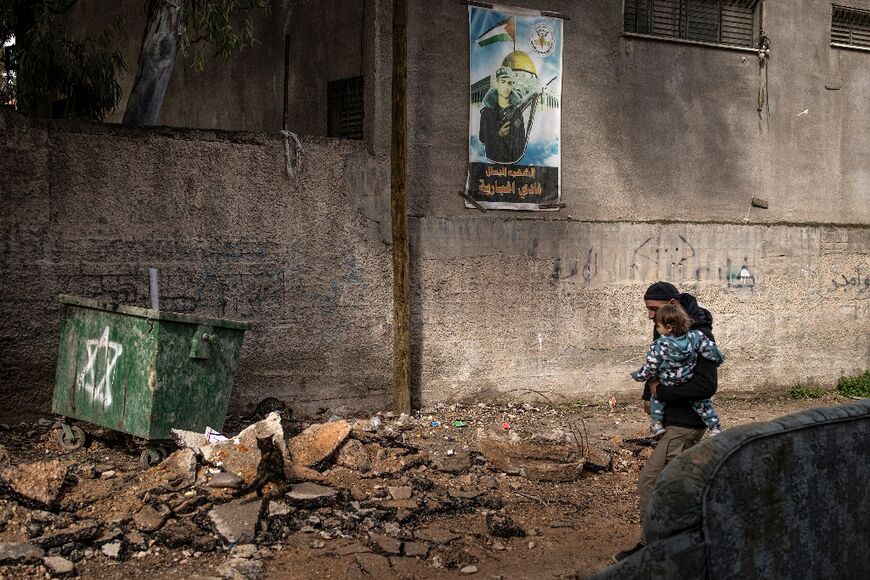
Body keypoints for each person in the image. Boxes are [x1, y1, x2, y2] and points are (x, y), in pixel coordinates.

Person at [613, 281, 719, 563]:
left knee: (652, 480)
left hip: (686, 424)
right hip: (674, 420)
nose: (649, 315)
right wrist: (648, 394)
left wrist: (662, 391)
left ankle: (653, 547)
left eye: (653, 309)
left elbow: (706, 386)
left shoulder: (700, 336)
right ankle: (691, 539)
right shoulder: (666, 324)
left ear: (672, 305)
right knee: (678, 483)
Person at [631, 303, 724, 437]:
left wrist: (638, 376)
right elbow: (710, 350)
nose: (656, 329)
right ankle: (715, 428)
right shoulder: (695, 337)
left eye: (658, 326)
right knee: (703, 404)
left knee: (657, 398)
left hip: (668, 382)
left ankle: (656, 424)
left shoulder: (659, 345)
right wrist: (719, 359)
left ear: (668, 327)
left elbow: (651, 367)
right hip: (687, 379)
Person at [479, 66, 527, 163]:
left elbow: (522, 136)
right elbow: (482, 138)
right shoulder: (487, 113)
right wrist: (498, 134)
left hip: (515, 160)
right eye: (503, 82)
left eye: (509, 83)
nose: (507, 87)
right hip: (494, 159)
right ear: (497, 84)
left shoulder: (517, 111)